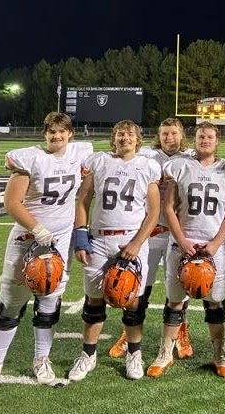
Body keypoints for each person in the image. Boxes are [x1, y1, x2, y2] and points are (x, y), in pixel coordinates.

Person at [0, 112, 93, 390]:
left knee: (50, 302)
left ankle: (42, 359)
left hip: (61, 239)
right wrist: (38, 229)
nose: (57, 136)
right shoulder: (28, 158)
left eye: (62, 132)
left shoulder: (80, 153)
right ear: (44, 134)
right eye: (51, 132)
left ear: (70, 134)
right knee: (12, 304)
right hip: (28, 237)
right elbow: (12, 202)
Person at [146, 121, 225, 379]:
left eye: (210, 137)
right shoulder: (181, 167)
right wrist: (182, 240)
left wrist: (213, 244)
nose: (205, 140)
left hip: (215, 246)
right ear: (195, 139)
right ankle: (165, 353)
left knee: (215, 304)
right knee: (175, 302)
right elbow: (169, 208)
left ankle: (219, 355)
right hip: (182, 243)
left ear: (217, 141)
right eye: (201, 136)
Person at [67, 120, 161, 381]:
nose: (124, 138)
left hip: (131, 239)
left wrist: (137, 243)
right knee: (93, 302)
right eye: (120, 134)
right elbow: (84, 199)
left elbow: (154, 213)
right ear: (114, 138)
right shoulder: (99, 162)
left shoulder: (148, 166)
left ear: (138, 139)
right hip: (99, 240)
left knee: (132, 303)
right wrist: (81, 235)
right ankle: (88, 355)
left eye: (130, 134)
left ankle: (134, 354)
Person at [108, 117, 195, 359]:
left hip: (178, 232)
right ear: (159, 135)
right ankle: (129, 334)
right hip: (151, 231)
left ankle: (181, 331)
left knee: (179, 288)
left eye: (173, 133)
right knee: (139, 286)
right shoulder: (146, 155)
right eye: (165, 133)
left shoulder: (190, 158)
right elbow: (117, 158)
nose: (169, 138)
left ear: (181, 136)